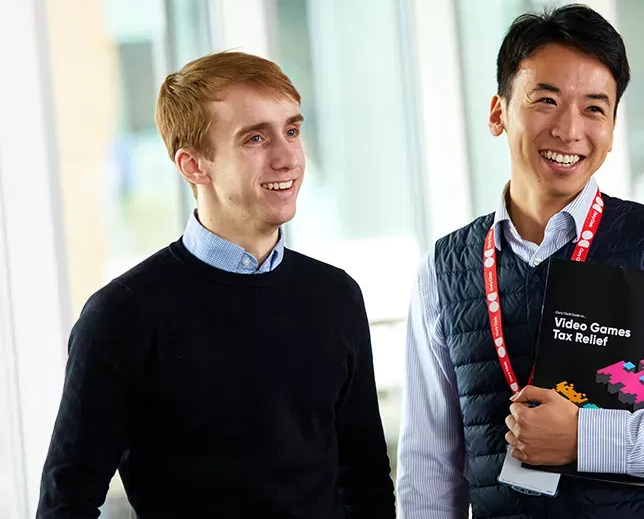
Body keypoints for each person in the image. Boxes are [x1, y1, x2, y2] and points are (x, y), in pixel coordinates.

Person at [396, 5, 644, 519]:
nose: (570, 130)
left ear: (613, 128)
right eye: (546, 101)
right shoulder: (444, 270)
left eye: (594, 109)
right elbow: (429, 467)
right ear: (498, 113)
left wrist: (588, 437)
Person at [37, 52, 395, 518]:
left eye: (291, 130)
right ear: (193, 165)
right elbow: (67, 501)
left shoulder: (336, 296)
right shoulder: (123, 314)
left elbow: (365, 479)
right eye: (254, 139)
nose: (287, 157)